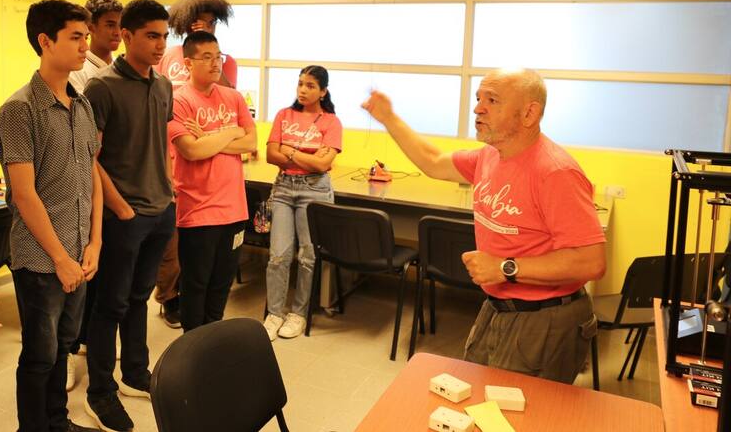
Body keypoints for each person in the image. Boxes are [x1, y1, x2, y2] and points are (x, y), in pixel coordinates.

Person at [361, 68, 605, 384]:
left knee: (518, 416)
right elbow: (434, 161)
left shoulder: (555, 172)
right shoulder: (491, 155)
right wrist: (389, 118)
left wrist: (506, 267)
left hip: (546, 317)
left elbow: (592, 260)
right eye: (478, 98)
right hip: (498, 306)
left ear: (529, 113)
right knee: (478, 397)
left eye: (492, 100)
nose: (478, 108)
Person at [0, 0, 102, 432]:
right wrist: (60, 258)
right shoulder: (19, 110)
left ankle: (58, 422)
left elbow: (91, 177)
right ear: (45, 41)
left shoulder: (81, 104)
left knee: (63, 347)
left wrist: (95, 243)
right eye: (75, 37)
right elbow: (24, 195)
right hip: (43, 260)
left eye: (85, 37)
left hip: (79, 254)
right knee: (39, 356)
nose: (84, 46)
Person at [83, 0, 176, 432]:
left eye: (165, 35)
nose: (161, 45)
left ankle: (135, 373)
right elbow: (87, 156)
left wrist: (169, 192)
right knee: (110, 305)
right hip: (124, 216)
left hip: (161, 210)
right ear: (126, 36)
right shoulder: (100, 87)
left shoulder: (163, 85)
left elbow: (159, 144)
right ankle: (99, 392)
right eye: (152, 35)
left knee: (139, 298)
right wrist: (119, 206)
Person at [154, 0, 239, 328]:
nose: (205, 24)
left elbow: (230, 105)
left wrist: (210, 61)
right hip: (171, 158)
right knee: (171, 250)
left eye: (212, 21)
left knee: (204, 265)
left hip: (211, 164)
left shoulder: (223, 61)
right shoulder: (168, 55)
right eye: (198, 20)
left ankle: (192, 312)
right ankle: (169, 298)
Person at [168, 31, 257, 332]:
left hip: (234, 211)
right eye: (206, 57)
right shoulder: (178, 100)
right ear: (188, 62)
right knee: (195, 286)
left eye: (217, 56)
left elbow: (251, 143)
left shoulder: (232, 97)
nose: (214, 63)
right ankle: (191, 346)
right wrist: (231, 132)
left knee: (221, 285)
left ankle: (211, 344)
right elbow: (191, 151)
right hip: (197, 212)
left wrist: (208, 136)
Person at [66, 0, 123, 392]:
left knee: (98, 278)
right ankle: (70, 351)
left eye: (121, 25)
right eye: (109, 25)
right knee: (77, 282)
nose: (116, 33)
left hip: (107, 184)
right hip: (86, 184)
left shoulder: (114, 68)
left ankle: (86, 343)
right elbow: (87, 147)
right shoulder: (79, 71)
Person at [262, 66, 343, 341]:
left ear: (323, 91)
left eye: (310, 85)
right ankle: (274, 314)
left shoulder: (331, 122)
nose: (303, 90)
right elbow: (271, 155)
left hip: (315, 191)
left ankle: (298, 313)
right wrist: (307, 157)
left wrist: (291, 150)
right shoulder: (284, 115)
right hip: (284, 188)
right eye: (300, 84)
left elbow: (323, 164)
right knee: (279, 255)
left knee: (307, 256)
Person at [68, 0, 123, 94]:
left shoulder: (122, 68)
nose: (118, 32)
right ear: (91, 27)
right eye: (110, 25)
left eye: (120, 26)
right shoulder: (75, 71)